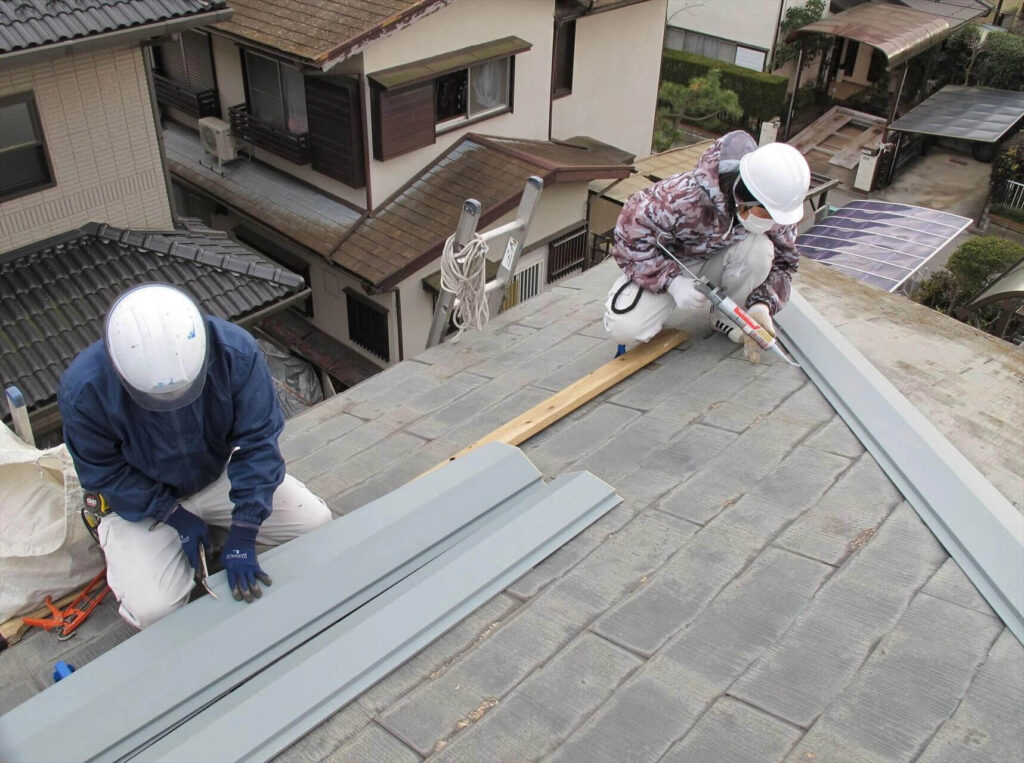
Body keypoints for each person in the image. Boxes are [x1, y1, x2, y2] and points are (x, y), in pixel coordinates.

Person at [58, 284, 332, 628]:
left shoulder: (236, 352)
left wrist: (246, 528)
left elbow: (258, 443)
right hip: (143, 504)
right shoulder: (85, 391)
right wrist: (172, 514)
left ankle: (220, 531)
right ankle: (186, 537)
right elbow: (106, 474)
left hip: (215, 477)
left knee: (314, 523)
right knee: (153, 610)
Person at [603, 130, 811, 363]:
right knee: (624, 328)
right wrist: (671, 282)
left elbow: (786, 262)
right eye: (769, 212)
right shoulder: (682, 197)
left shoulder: (776, 207)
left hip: (720, 257)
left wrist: (762, 305)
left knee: (762, 251)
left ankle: (730, 315)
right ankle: (648, 293)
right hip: (670, 263)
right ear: (747, 196)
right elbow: (627, 240)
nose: (774, 221)